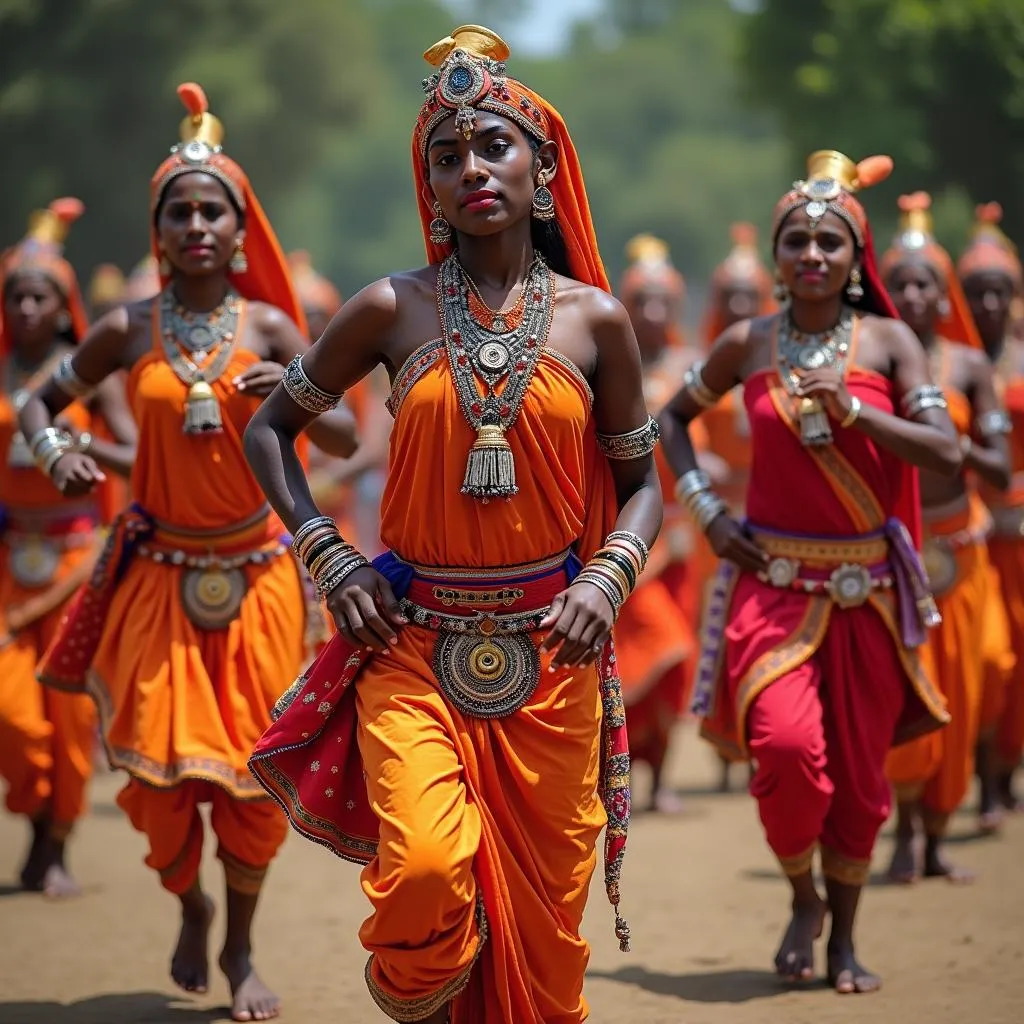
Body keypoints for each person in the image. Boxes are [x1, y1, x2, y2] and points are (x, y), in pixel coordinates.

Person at [245, 26, 661, 1023]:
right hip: (412, 646)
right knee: (427, 869)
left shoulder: (597, 321)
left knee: (545, 935)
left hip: (550, 663)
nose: (471, 167)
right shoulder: (389, 308)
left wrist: (607, 576)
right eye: (446, 155)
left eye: (493, 146)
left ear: (544, 167)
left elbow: (643, 483)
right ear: (427, 187)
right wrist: (326, 549)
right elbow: (270, 431)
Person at [19, 84, 357, 1022]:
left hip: (259, 581)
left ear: (242, 229)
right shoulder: (130, 328)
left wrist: (296, 392)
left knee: (249, 782)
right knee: (161, 787)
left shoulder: (280, 330)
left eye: (215, 209)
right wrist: (58, 449)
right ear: (159, 230)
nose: (198, 223)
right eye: (181, 210)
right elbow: (40, 401)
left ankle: (241, 942)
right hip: (159, 580)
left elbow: (345, 446)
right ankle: (190, 901)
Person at [659, 150, 957, 994]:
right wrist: (707, 513)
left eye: (830, 242)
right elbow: (672, 421)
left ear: (857, 258)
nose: (812, 255)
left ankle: (846, 937)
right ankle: (802, 896)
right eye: (797, 240)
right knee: (787, 753)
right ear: (780, 255)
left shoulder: (893, 343)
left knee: (861, 783)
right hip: (772, 585)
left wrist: (855, 407)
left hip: (866, 593)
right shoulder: (747, 342)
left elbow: (944, 453)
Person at [0, 199, 136, 898]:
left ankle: (55, 842)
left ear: (63, 306)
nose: (26, 306)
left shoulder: (87, 374)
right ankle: (33, 815)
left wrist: (80, 444)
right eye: (15, 295)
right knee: (14, 716)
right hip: (8, 562)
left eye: (39, 296)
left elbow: (137, 454)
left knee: (71, 716)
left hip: (78, 559)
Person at [882, 192, 1011, 881]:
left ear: (943, 293)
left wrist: (944, 443)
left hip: (964, 552)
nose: (911, 292)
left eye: (924, 282)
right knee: (913, 692)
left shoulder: (967, 368)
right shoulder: (872, 360)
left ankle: (939, 831)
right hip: (901, 554)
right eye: (899, 282)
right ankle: (906, 832)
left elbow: (994, 464)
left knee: (974, 680)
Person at [614, 234, 694, 813]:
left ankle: (663, 779)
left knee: (673, 661)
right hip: (623, 537)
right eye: (643, 300)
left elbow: (710, 442)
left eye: (664, 300)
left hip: (680, 541)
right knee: (629, 655)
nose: (654, 311)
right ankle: (618, 777)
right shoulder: (608, 360)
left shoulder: (690, 369)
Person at [698, 223, 775, 792]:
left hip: (777, 513)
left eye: (751, 296)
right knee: (719, 625)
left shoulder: (782, 357)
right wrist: (703, 467)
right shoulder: (711, 361)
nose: (742, 305)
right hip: (719, 519)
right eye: (732, 297)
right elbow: (683, 423)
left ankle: (763, 737)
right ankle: (724, 746)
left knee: (767, 627)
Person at [959, 203, 1024, 815]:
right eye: (976, 293)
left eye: (999, 292)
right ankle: (978, 777)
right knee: (987, 663)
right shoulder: (942, 365)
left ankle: (1003, 779)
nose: (988, 305)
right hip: (971, 542)